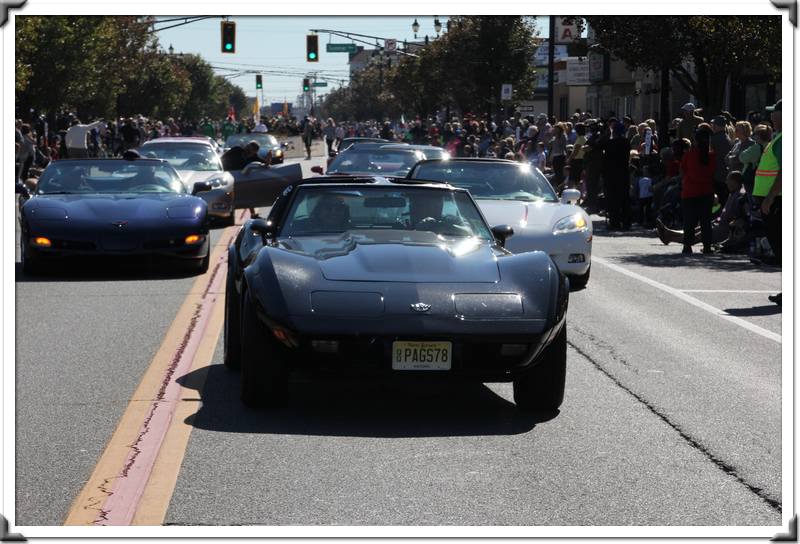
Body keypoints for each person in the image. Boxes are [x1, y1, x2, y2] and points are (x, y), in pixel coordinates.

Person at [657, 170, 747, 249]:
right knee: (697, 229)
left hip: (725, 229)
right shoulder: (733, 193)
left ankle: (670, 237)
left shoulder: (740, 195)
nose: (726, 182)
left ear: (735, 181)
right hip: (720, 224)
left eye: (728, 180)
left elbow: (737, 215)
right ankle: (669, 233)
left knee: (701, 234)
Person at [753, 99, 782, 305]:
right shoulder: (778, 137)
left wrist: (770, 198)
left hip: (777, 200)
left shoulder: (783, 139)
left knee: (782, 246)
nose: (771, 116)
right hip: (773, 199)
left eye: (775, 113)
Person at [679, 124, 716, 255]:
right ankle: (707, 246)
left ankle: (687, 245)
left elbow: (682, 172)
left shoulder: (689, 155)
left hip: (690, 191)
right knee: (706, 220)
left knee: (689, 220)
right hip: (707, 191)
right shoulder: (712, 156)